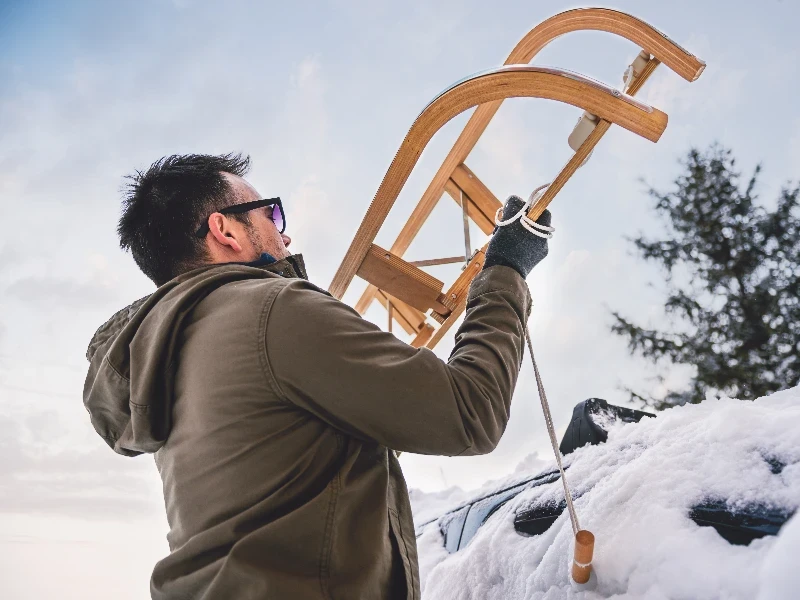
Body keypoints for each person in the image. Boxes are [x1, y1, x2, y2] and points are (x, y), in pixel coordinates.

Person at [83, 153, 552, 599]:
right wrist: (506, 268)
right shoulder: (270, 311)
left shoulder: (171, 353)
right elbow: (468, 412)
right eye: (270, 214)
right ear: (224, 229)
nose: (284, 236)